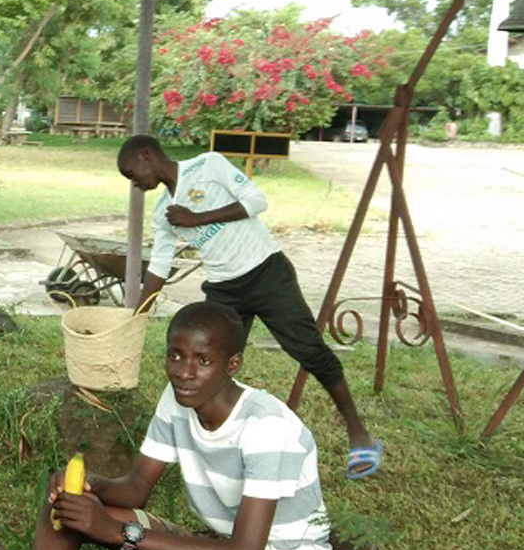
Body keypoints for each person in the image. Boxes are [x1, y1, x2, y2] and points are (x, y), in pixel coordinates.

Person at [28, 301, 336, 550]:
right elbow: (136, 487)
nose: (184, 372)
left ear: (233, 364)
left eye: (203, 361)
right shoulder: (178, 400)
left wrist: (119, 532)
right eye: (175, 356)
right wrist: (94, 485)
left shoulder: (265, 427)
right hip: (220, 545)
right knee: (66, 509)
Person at [119, 135, 382, 479]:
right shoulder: (163, 214)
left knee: (311, 352)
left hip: (266, 273)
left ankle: (357, 433)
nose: (136, 185)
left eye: (132, 174)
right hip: (225, 289)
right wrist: (133, 320)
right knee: (207, 365)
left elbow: (257, 201)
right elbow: (159, 267)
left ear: (146, 155)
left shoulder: (208, 165)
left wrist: (197, 218)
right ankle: (208, 445)